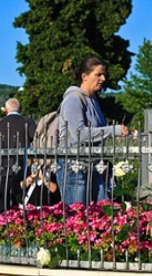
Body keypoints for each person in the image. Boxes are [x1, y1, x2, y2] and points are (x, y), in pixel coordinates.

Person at [57, 56, 128, 205]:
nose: (103, 78)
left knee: (101, 211)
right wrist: (113, 130)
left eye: (103, 74)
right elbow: (80, 134)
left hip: (93, 164)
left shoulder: (93, 100)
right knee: (77, 217)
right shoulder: (73, 100)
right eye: (98, 74)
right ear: (84, 76)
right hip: (74, 167)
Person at [0, 97, 36, 214]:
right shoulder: (27, 121)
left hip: (3, 168)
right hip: (22, 166)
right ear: (20, 109)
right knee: (20, 201)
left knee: (4, 200)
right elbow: (36, 140)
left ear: (6, 110)